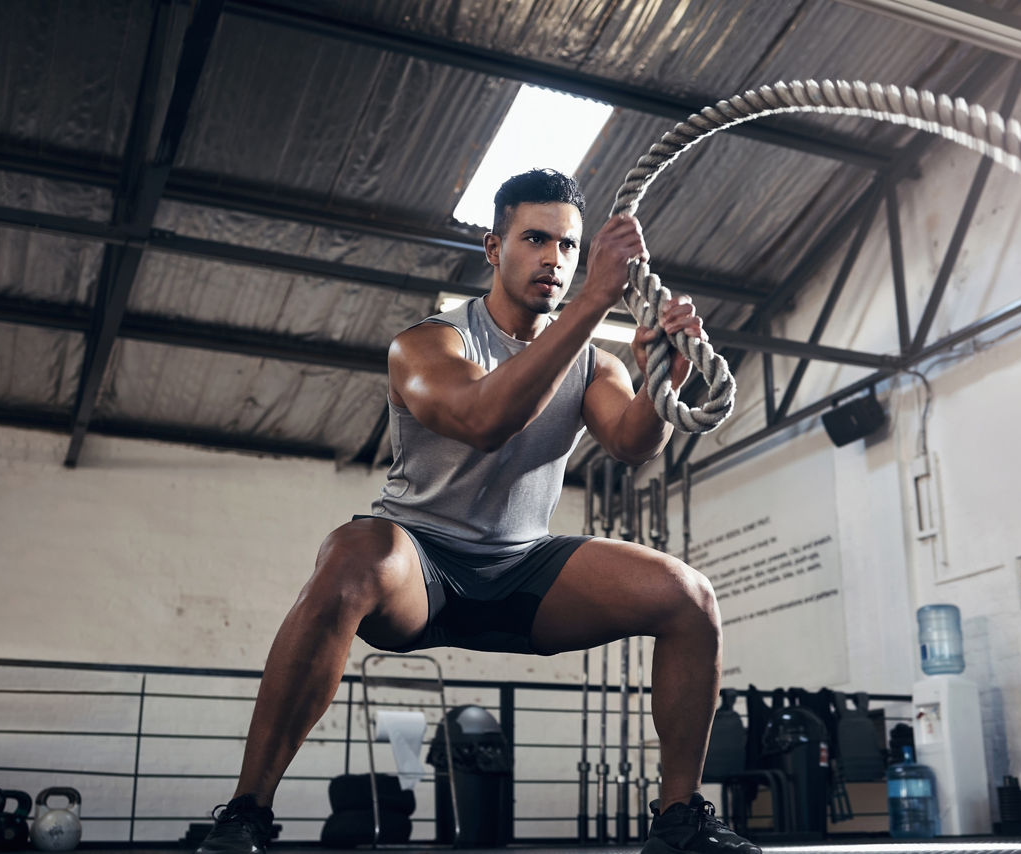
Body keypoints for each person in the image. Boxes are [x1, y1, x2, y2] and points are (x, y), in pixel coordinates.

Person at [197, 169, 758, 854]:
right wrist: (590, 304)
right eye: (535, 238)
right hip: (421, 564)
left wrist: (661, 380)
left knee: (689, 597)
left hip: (522, 568)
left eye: (569, 246)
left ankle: (680, 819)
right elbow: (482, 417)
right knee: (351, 557)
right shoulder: (428, 344)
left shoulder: (593, 364)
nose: (554, 258)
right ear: (494, 248)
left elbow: (632, 442)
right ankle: (247, 813)